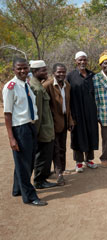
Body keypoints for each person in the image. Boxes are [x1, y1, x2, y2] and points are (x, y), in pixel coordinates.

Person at [3, 57, 47, 206]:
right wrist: (11, 138)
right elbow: (7, 114)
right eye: (19, 69)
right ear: (13, 70)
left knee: (25, 161)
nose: (22, 71)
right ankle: (30, 196)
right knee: (24, 163)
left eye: (24, 68)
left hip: (30, 126)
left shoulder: (26, 84)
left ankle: (17, 189)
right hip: (20, 128)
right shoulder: (10, 87)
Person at [67, 51, 98, 172]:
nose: (82, 62)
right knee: (78, 136)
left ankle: (89, 160)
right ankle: (78, 162)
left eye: (84, 59)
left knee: (91, 134)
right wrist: (70, 115)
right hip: (77, 112)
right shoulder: (70, 76)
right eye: (80, 60)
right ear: (75, 61)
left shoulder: (92, 75)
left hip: (91, 112)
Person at [43, 63, 74, 185]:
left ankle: (61, 170)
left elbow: (68, 105)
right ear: (53, 73)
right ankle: (58, 173)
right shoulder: (47, 86)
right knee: (55, 149)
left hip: (64, 123)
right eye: (59, 72)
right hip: (52, 124)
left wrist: (70, 120)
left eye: (63, 72)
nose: (61, 74)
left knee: (62, 148)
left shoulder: (67, 86)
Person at [29, 60, 57, 189]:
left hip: (47, 128)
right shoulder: (36, 88)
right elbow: (38, 114)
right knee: (42, 156)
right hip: (43, 130)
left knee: (46, 155)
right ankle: (39, 181)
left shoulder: (39, 85)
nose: (46, 73)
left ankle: (43, 176)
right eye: (43, 70)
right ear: (35, 72)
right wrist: (36, 133)